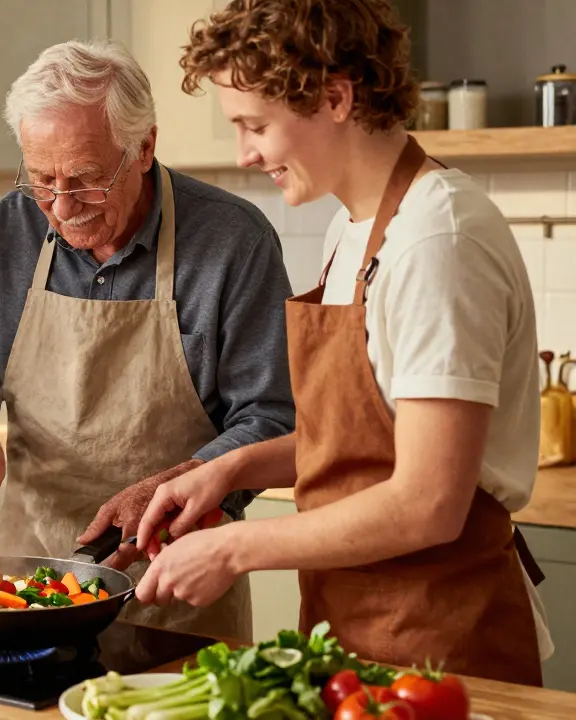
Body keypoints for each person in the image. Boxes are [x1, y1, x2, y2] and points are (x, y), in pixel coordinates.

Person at [132, 0, 552, 685]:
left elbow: (428, 500)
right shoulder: (351, 230)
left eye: (256, 126)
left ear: (335, 97)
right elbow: (364, 441)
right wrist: (228, 471)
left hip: (443, 646)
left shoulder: (437, 239)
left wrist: (237, 548)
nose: (244, 154)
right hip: (352, 631)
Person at [0, 39, 295, 640]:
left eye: (86, 180)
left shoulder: (232, 241)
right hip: (23, 589)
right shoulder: (10, 229)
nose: (62, 208)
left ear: (144, 147)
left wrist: (179, 484)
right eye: (42, 180)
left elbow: (273, 415)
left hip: (174, 591)